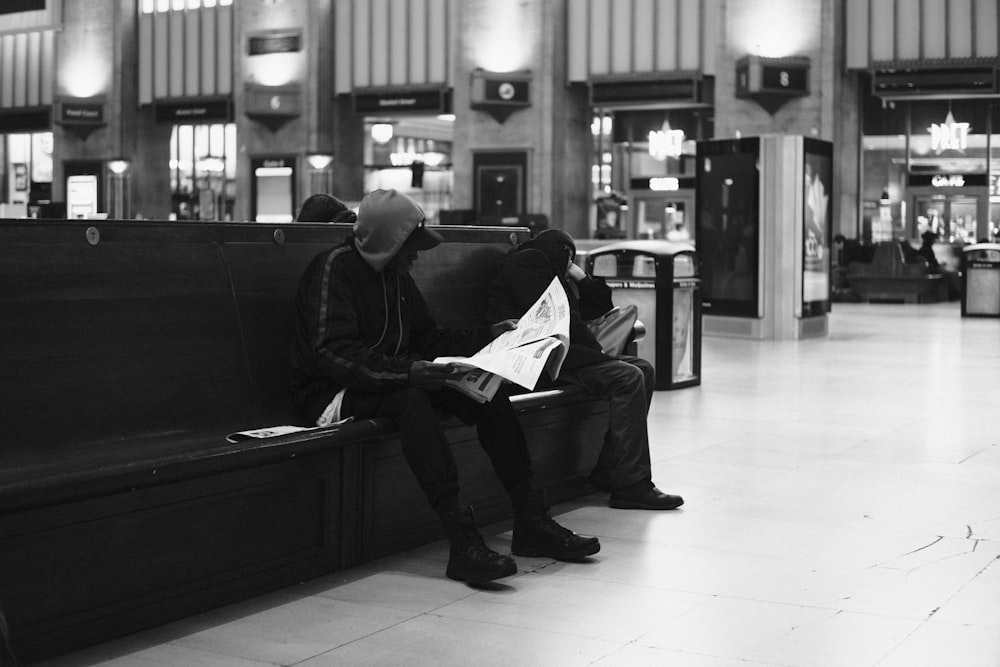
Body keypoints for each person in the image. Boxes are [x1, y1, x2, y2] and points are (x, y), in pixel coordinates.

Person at [290, 189, 599, 585]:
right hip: (329, 393)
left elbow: (428, 338)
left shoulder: (395, 275)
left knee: (486, 390)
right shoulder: (335, 268)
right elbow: (330, 354)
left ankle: (530, 518)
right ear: (389, 243)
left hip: (391, 378)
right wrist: (410, 372)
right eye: (410, 248)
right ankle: (460, 538)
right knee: (410, 401)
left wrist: (486, 338)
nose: (415, 257)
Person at [487, 229, 684, 511]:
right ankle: (632, 485)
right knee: (627, 376)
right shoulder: (527, 263)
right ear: (556, 250)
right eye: (567, 255)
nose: (568, 262)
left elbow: (598, 309)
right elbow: (559, 320)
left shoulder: (550, 270)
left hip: (562, 355)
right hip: (535, 358)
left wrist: (579, 276)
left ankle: (611, 471)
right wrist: (599, 354)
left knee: (643, 369)